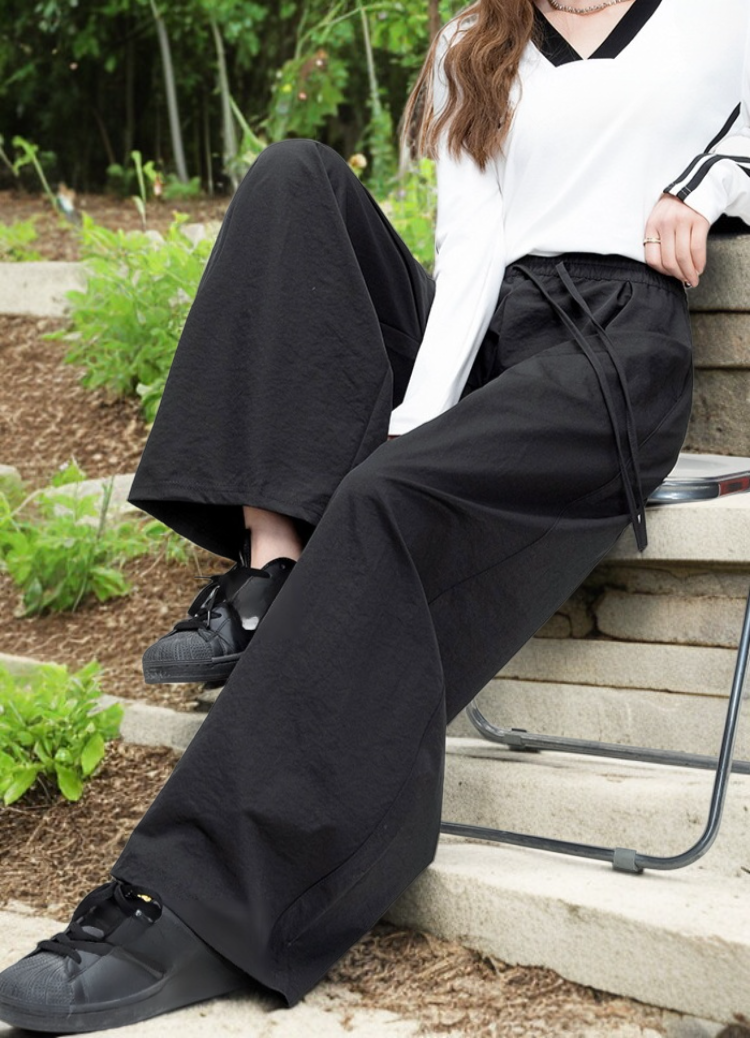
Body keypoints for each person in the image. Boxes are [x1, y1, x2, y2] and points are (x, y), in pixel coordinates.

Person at [2, 0, 750, 1031]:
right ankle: (271, 571)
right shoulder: (472, 40)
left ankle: (203, 907)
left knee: (385, 499)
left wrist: (705, 187)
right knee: (293, 177)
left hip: (611, 350)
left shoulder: (718, 17)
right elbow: (472, 248)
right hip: (492, 332)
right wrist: (415, 423)